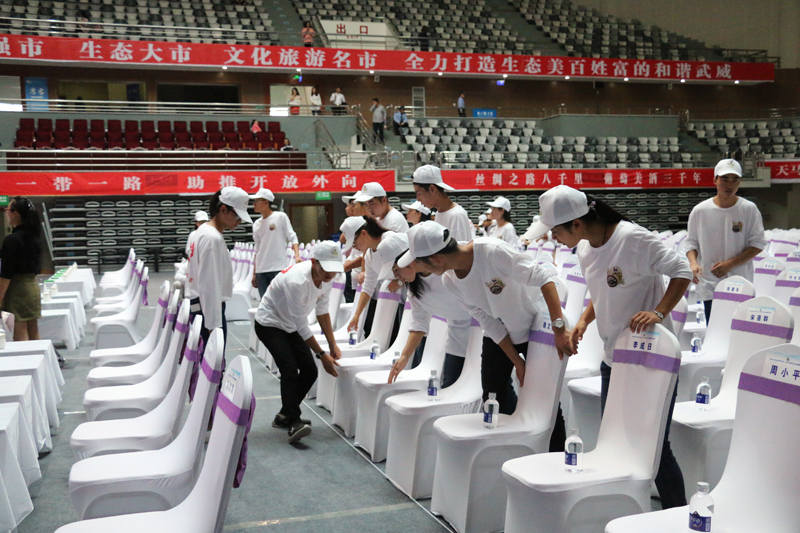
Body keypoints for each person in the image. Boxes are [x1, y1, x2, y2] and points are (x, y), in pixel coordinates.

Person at [525, 184, 692, 509]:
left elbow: (682, 271)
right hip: (614, 358)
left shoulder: (632, 238)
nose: (553, 239)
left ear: (576, 224)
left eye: (555, 231)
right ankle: (627, 509)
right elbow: (602, 291)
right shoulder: (585, 249)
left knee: (655, 448)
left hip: (651, 359)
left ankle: (679, 513)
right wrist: (584, 321)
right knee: (614, 442)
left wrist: (659, 312)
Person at [399, 221, 573, 451]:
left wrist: (558, 328)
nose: (418, 267)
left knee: (544, 400)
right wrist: (517, 361)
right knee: (493, 393)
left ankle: (556, 453)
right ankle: (512, 444)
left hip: (536, 326)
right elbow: (486, 320)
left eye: (420, 262)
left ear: (436, 259)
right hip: (500, 331)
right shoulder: (450, 279)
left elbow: (544, 277)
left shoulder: (492, 251)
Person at [254, 241, 343, 443]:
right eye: (326, 268)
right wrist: (322, 355)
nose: (330, 273)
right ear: (314, 262)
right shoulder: (297, 281)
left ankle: (285, 414)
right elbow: (302, 325)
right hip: (270, 324)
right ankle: (294, 422)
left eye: (334, 269)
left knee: (310, 370)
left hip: (290, 325)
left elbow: (322, 312)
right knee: (289, 368)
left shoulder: (327, 278)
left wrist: (332, 345)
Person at [685, 158, 767, 320]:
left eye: (735, 180)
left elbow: (758, 243)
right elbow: (691, 242)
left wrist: (730, 264)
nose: (730, 185)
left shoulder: (748, 209)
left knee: (740, 328)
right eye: (724, 179)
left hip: (740, 280)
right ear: (715, 180)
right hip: (710, 280)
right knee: (714, 327)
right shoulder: (700, 210)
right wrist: (693, 263)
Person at [386, 240, 472, 388]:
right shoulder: (415, 290)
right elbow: (419, 324)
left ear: (407, 262)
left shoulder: (444, 268)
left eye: (396, 271)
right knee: (450, 386)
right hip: (457, 337)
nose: (397, 277)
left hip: (484, 330)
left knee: (495, 389)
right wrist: (405, 356)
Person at [186, 186, 253, 349]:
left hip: (200, 306)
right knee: (211, 360)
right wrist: (213, 326)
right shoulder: (212, 238)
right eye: (237, 216)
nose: (240, 221)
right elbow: (210, 286)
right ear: (223, 210)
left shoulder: (204, 232)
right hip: (207, 309)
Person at [0, 197, 42, 341]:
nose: (6, 213)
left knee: (20, 333)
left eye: (7, 210)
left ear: (15, 213)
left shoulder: (12, 240)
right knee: (33, 331)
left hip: (17, 290)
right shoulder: (34, 238)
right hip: (32, 288)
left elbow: (6, 274)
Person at [250, 188, 300, 298]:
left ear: (266, 202)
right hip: (261, 270)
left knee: (280, 301)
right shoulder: (257, 224)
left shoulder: (280, 217)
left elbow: (292, 236)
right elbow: (257, 249)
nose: (254, 204)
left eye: (257, 201)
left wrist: (297, 256)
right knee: (264, 301)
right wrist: (254, 272)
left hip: (277, 267)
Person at [413, 164, 473, 242]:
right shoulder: (440, 213)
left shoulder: (456, 215)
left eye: (419, 194)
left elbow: (460, 248)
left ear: (432, 189)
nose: (418, 199)